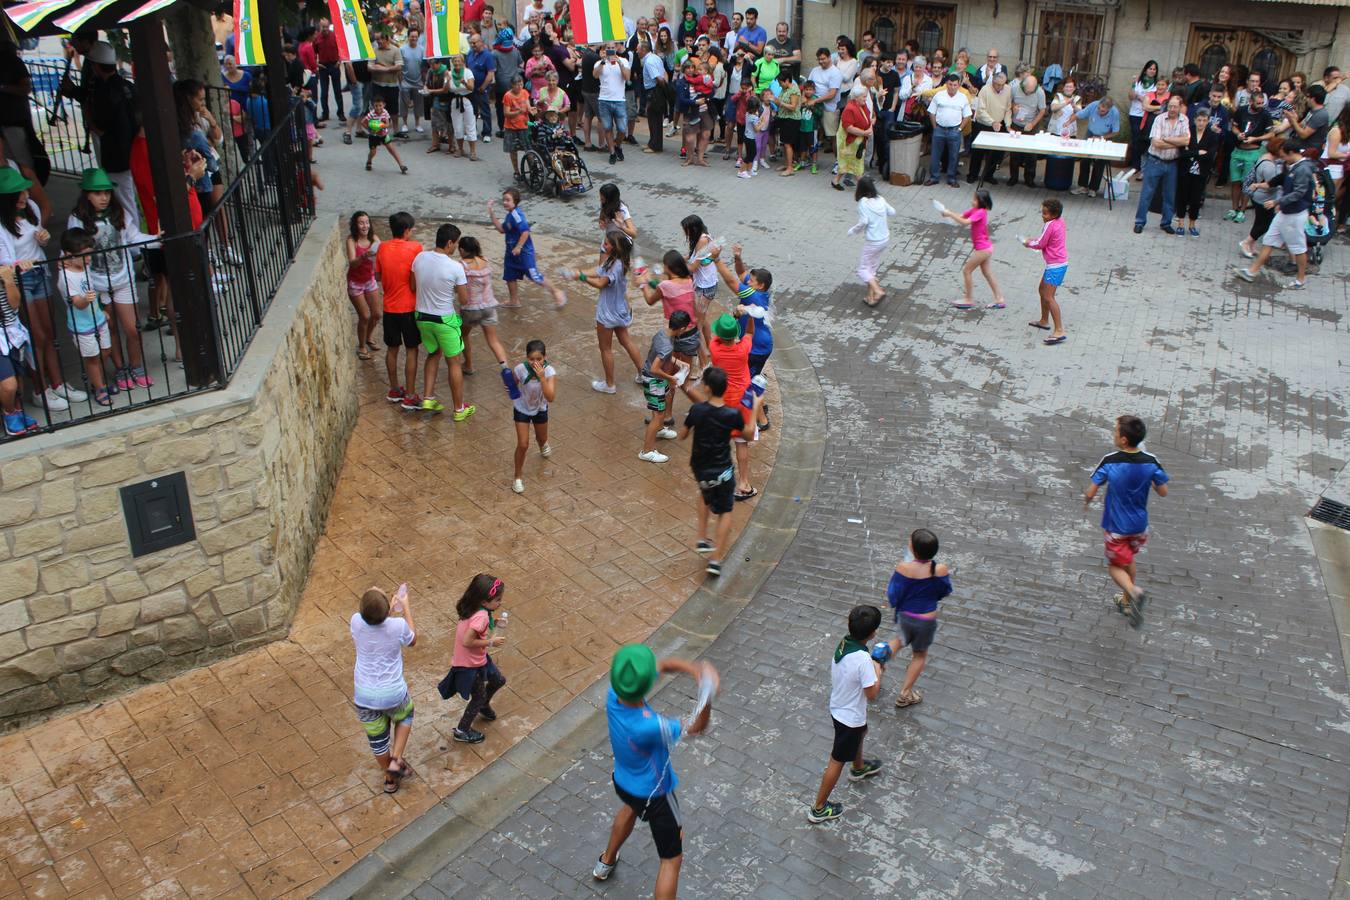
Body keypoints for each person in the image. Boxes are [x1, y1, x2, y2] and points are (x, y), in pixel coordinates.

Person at [591, 645, 718, 898]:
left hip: (624, 782)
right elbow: (698, 726)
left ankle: (606, 861)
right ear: (646, 685)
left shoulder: (614, 694)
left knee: (630, 809)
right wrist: (708, 692)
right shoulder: (649, 726)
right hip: (655, 796)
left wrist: (692, 669)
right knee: (671, 860)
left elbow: (661, 666)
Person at [66, 167, 156, 394]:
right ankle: (121, 368)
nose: (104, 197)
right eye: (98, 193)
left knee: (133, 328)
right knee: (110, 328)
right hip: (96, 283)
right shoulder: (76, 219)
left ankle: (136, 366)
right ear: (87, 194)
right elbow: (72, 248)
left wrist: (157, 240)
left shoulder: (120, 213)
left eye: (106, 192)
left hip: (122, 278)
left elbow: (134, 238)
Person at [1083, 415, 1169, 628]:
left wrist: (1087, 500)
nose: (1113, 434)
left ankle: (1133, 591)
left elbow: (1092, 489)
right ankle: (1126, 603)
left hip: (1116, 526)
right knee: (1128, 560)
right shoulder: (1151, 461)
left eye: (1115, 431)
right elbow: (1163, 491)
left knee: (1114, 567)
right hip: (1140, 527)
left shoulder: (1111, 461)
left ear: (1123, 440)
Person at [806, 604, 885, 823]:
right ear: (872, 633)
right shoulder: (863, 660)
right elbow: (872, 693)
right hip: (849, 717)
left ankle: (859, 767)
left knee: (862, 731)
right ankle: (818, 808)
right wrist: (878, 667)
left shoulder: (845, 643)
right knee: (837, 760)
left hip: (839, 707)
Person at [351, 583, 417, 794]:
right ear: (387, 609)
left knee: (377, 741)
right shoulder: (397, 626)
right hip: (393, 693)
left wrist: (379, 602)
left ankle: (389, 777)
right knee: (406, 715)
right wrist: (405, 607)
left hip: (364, 696)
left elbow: (372, 615)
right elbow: (413, 640)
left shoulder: (355, 622)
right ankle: (396, 759)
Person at [880, 528, 951, 708]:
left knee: (898, 641)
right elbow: (944, 591)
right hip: (926, 621)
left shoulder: (904, 568)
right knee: (919, 655)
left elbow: (893, 594)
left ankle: (873, 669)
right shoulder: (940, 569)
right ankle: (905, 694)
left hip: (905, 616)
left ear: (913, 548)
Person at [412, 223, 474, 418]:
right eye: (455, 243)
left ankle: (428, 398)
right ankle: (459, 409)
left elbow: (413, 286)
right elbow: (464, 300)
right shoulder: (455, 267)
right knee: (454, 362)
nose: (455, 247)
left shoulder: (420, 258)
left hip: (421, 317)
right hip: (444, 320)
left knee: (433, 353)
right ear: (449, 243)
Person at [1235, 140, 1316, 290]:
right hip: (1285, 213)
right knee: (1269, 240)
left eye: (1284, 155)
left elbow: (1299, 193)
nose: (1282, 158)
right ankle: (1252, 272)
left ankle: (1300, 279)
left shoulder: (1303, 169)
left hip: (1295, 215)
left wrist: (1277, 202)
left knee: (1298, 248)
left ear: (1292, 153)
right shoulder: (1293, 166)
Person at [570, 229, 644, 393]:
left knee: (605, 348)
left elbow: (600, 283)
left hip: (607, 313)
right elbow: (597, 271)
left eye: (606, 243)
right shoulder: (618, 261)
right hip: (620, 310)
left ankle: (610, 385)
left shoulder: (614, 266)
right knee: (627, 341)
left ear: (614, 247)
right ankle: (643, 373)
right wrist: (579, 272)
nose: (603, 245)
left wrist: (582, 278)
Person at [54, 228, 119, 407]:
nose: (89, 259)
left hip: (97, 318)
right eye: (85, 255)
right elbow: (77, 303)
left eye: (90, 254)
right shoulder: (65, 277)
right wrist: (86, 300)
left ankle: (96, 381)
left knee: (105, 350)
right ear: (69, 255)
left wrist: (99, 308)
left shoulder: (84, 267)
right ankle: (99, 388)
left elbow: (92, 294)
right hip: (82, 325)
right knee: (92, 358)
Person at [442, 574, 508, 743]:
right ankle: (462, 730)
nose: (500, 602)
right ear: (485, 601)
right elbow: (468, 641)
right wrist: (491, 642)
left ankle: (484, 704)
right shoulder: (482, 617)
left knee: (498, 680)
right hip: (470, 666)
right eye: (498, 599)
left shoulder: (475, 609)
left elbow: (477, 626)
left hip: (479, 659)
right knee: (477, 697)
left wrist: (495, 621)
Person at [487, 188, 568, 308]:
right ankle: (514, 301)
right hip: (511, 253)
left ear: (515, 201)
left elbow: (525, 231)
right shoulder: (509, 216)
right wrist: (491, 213)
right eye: (504, 200)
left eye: (508, 200)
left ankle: (557, 292)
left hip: (523, 253)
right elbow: (502, 229)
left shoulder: (517, 215)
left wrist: (519, 247)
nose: (504, 202)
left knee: (535, 276)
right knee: (510, 276)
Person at [375, 212, 422, 408]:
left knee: (392, 349)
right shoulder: (415, 247)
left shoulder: (382, 248)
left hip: (389, 308)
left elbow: (377, 275)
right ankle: (410, 394)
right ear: (406, 231)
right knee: (412, 349)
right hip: (409, 308)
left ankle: (395, 389)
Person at [638, 310, 690, 464]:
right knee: (659, 414)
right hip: (655, 380)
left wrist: (678, 363)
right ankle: (646, 451)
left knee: (662, 405)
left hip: (657, 379)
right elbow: (655, 368)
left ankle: (659, 430)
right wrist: (671, 378)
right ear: (680, 329)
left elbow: (661, 355)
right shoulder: (667, 345)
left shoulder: (662, 333)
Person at [1133, 95, 1189, 234]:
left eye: (1175, 106)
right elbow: (1156, 143)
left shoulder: (1184, 120)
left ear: (1180, 107)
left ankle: (1166, 223)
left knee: (1169, 195)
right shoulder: (1159, 119)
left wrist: (1167, 140)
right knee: (1147, 193)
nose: (1172, 109)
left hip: (1172, 163)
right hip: (1155, 161)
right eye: (1170, 106)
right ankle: (1139, 222)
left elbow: (1187, 141)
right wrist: (1176, 141)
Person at [454, 235, 509, 376]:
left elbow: (458, 287)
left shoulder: (461, 265)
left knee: (463, 335)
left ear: (462, 250)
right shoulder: (485, 261)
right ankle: (506, 370)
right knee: (493, 340)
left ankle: (468, 365)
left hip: (471, 309)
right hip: (489, 306)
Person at [942, 189, 1004, 310]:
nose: (972, 201)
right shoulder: (975, 210)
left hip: (983, 249)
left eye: (975, 199)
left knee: (967, 271)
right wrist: (947, 213)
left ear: (981, 202)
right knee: (987, 273)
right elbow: (961, 216)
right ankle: (1000, 299)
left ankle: (968, 299)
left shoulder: (981, 212)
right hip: (986, 247)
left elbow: (965, 222)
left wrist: (949, 214)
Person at [509, 339, 556, 493]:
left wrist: (542, 378)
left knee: (541, 438)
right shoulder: (520, 369)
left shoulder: (549, 372)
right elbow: (512, 385)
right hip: (522, 408)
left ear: (545, 357)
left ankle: (543, 444)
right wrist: (509, 385)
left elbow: (550, 397)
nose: (535, 362)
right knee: (523, 444)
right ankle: (517, 477)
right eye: (531, 359)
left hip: (540, 408)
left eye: (539, 359)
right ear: (526, 358)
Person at [1023, 198, 1068, 344]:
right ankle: (1044, 320)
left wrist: (1028, 243)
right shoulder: (1059, 222)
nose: (1042, 215)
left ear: (1053, 214)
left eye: (1045, 213)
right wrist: (1033, 239)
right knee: (1042, 290)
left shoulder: (1049, 225)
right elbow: (1046, 239)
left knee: (1049, 296)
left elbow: (1041, 243)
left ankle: (1059, 330)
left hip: (1055, 266)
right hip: (1058, 264)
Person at [1227, 89, 1275, 222]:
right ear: (1251, 101)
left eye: (1262, 103)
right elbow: (1234, 127)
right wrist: (1238, 134)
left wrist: (1255, 138)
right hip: (1238, 150)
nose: (1260, 106)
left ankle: (1242, 210)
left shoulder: (1265, 114)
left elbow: (1271, 134)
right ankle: (1234, 208)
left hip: (1253, 151)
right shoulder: (1242, 110)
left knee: (1247, 182)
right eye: (1258, 103)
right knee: (1235, 181)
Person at [848, 175, 895, 308]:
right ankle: (870, 298)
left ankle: (878, 291)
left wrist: (853, 231)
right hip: (884, 239)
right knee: (871, 268)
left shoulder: (863, 202)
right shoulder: (880, 199)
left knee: (863, 269)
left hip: (873, 241)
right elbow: (892, 212)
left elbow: (864, 222)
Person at [1173, 107, 1220, 236]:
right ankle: (1181, 223)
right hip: (1185, 170)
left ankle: (1192, 224)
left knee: (1196, 198)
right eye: (1199, 120)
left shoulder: (1212, 135)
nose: (1201, 123)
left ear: (1208, 121)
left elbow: (1210, 155)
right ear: (1194, 120)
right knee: (1182, 196)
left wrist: (1191, 153)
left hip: (1201, 172)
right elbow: (1182, 152)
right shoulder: (1188, 132)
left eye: (1204, 120)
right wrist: (1198, 152)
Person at [1238, 136, 1285, 259]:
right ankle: (1246, 242)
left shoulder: (1265, 158)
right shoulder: (1269, 165)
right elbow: (1270, 185)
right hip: (1264, 198)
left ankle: (1251, 245)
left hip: (1259, 196)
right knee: (1264, 224)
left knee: (1259, 222)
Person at [346, 211, 383, 360]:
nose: (365, 225)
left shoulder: (374, 238)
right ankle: (361, 346)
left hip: (370, 280)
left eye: (367, 222)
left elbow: (381, 255)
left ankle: (369, 337)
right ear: (355, 225)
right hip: (355, 283)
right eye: (361, 222)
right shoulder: (351, 240)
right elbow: (352, 263)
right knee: (365, 316)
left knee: (377, 314)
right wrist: (364, 256)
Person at [925, 73, 971, 187]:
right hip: (939, 129)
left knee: (954, 155)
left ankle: (952, 178)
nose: (952, 87)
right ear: (946, 84)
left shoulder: (963, 97)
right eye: (950, 84)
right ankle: (934, 177)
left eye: (955, 85)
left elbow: (967, 115)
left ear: (959, 85)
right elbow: (931, 112)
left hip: (954, 130)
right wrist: (935, 127)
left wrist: (960, 129)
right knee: (935, 154)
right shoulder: (939, 95)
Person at [1071, 95, 1120, 196]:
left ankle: (1093, 188)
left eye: (1102, 111)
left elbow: (1116, 132)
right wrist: (1067, 123)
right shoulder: (1093, 105)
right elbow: (1079, 114)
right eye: (1099, 108)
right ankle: (1082, 186)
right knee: (1084, 160)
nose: (1099, 111)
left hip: (1105, 136)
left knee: (1100, 162)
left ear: (1108, 109)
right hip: (1090, 132)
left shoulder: (1114, 113)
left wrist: (1101, 138)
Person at [970, 71, 1012, 184]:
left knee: (995, 153)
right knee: (978, 152)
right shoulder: (985, 90)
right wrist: (992, 122)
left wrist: (1008, 124)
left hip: (999, 124)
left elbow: (1008, 109)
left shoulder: (1007, 90)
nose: (1000, 87)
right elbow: (980, 111)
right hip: (984, 123)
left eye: (1003, 84)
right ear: (993, 81)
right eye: (998, 84)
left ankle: (989, 175)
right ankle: (973, 175)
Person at [831, 85, 873, 190]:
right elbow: (848, 128)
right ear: (857, 97)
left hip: (858, 140)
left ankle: (835, 181)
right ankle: (865, 188)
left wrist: (869, 129)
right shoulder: (849, 109)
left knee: (849, 162)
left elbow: (870, 118)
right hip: (848, 141)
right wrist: (865, 132)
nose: (865, 99)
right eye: (864, 96)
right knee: (855, 163)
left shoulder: (862, 106)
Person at [1007, 74, 1045, 187]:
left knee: (1031, 155)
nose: (1028, 93)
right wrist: (1013, 107)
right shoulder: (1014, 88)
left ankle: (1029, 179)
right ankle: (1013, 177)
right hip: (1016, 123)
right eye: (1027, 91)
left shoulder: (1039, 92)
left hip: (1031, 125)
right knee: (1014, 153)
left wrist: (1033, 124)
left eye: (1031, 92)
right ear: (1023, 85)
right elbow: (1009, 102)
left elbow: (1042, 110)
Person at [596, 43, 631, 165]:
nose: (610, 50)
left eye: (612, 48)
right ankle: (612, 152)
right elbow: (595, 75)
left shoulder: (624, 61)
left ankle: (617, 145)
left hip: (619, 100)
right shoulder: (600, 62)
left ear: (616, 48)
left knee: (622, 128)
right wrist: (602, 61)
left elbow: (627, 77)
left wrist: (619, 63)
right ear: (604, 50)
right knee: (607, 128)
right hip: (604, 99)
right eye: (608, 48)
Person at [807, 49, 843, 155]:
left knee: (832, 136)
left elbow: (832, 94)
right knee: (810, 133)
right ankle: (809, 158)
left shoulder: (836, 73)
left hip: (829, 107)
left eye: (823, 59)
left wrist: (815, 100)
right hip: (813, 106)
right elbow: (808, 85)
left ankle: (838, 163)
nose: (821, 61)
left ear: (829, 57)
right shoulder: (815, 70)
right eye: (819, 59)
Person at [363, 95, 409, 174]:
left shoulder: (385, 112)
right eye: (376, 106)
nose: (378, 108)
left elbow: (388, 124)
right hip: (373, 137)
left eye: (380, 105)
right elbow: (363, 122)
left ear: (384, 105)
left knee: (392, 150)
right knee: (373, 152)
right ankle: (369, 161)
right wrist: (370, 130)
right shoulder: (371, 114)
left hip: (384, 135)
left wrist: (381, 126)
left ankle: (401, 166)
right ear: (373, 106)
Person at [466, 32, 497, 143]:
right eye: (471, 43)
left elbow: (490, 73)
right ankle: (472, 131)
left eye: (474, 43)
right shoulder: (470, 53)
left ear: (480, 42)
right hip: (471, 88)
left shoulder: (487, 55)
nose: (472, 45)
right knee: (472, 111)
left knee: (484, 111)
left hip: (481, 88)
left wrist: (483, 87)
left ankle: (487, 132)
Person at [446, 55, 479, 160]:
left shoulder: (467, 72)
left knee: (470, 125)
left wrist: (464, 82)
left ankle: (473, 151)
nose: (457, 63)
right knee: (457, 126)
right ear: (452, 62)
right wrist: (447, 80)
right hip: (455, 101)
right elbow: (446, 90)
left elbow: (471, 87)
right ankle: (460, 149)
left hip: (467, 100)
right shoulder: (449, 74)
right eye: (455, 61)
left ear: (463, 62)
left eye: (459, 61)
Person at [639, 42, 669, 153]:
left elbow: (658, 78)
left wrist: (663, 88)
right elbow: (664, 73)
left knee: (654, 117)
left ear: (643, 50)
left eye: (638, 49)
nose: (637, 51)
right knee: (654, 117)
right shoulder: (655, 58)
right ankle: (653, 142)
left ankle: (655, 145)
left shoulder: (649, 62)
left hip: (654, 91)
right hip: (656, 90)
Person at [501, 74, 531, 178]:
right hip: (511, 127)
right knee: (513, 150)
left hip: (524, 125)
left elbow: (528, 105)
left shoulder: (525, 92)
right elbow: (506, 113)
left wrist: (531, 109)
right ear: (512, 85)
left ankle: (532, 169)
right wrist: (518, 112)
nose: (519, 87)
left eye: (521, 84)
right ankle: (516, 171)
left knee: (529, 149)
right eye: (517, 85)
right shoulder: (508, 96)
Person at [397, 29, 426, 135]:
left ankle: (417, 123)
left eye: (416, 36)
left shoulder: (422, 50)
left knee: (418, 104)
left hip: (418, 81)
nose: (414, 38)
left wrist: (424, 82)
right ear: (408, 37)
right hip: (405, 81)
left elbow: (423, 68)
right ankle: (404, 123)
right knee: (404, 103)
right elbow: (400, 67)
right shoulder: (402, 49)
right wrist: (400, 81)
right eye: (412, 36)